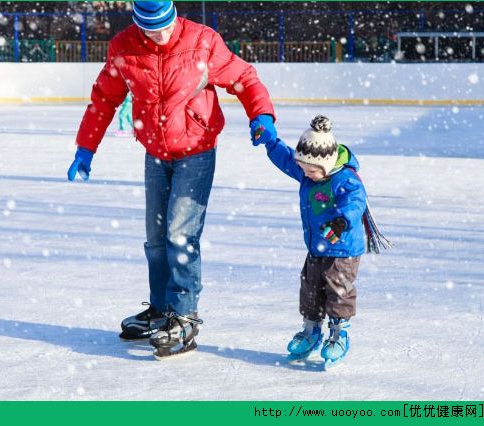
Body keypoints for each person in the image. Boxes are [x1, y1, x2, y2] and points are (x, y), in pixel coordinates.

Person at [67, 1, 276, 359]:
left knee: (180, 235)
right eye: (151, 30)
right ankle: (162, 309)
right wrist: (86, 149)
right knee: (155, 238)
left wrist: (262, 116)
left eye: (165, 27)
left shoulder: (202, 41)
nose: (160, 36)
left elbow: (244, 78)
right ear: (137, 25)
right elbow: (104, 99)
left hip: (196, 150)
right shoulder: (124, 47)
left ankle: (184, 316)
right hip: (155, 153)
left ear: (174, 16)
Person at [252, 115, 390, 369]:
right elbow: (286, 159)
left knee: (338, 290)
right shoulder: (309, 169)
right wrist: (270, 140)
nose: (306, 175)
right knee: (310, 287)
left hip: (343, 248)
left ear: (326, 165)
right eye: (303, 169)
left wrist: (341, 221)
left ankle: (339, 334)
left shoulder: (344, 179)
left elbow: (356, 200)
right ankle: (312, 330)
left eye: (311, 171)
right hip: (317, 246)